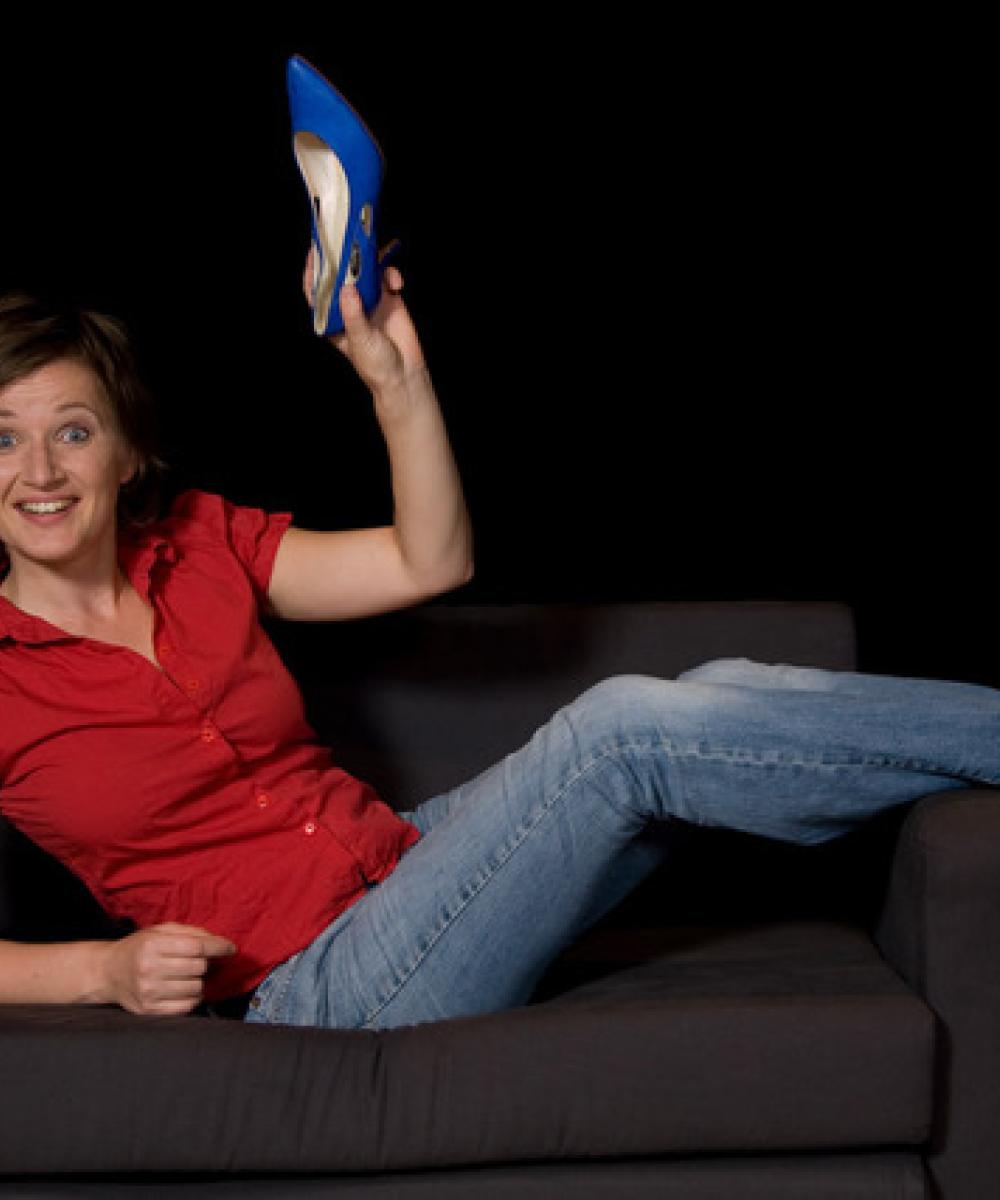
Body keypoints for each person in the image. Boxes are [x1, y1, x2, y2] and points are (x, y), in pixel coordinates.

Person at [1, 267, 998, 1031]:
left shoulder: (199, 545)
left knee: (706, 690)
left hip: (407, 864)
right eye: (3, 437)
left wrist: (395, 377)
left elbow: (428, 560)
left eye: (73, 432)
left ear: (127, 453)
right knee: (620, 732)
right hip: (315, 985)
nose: (40, 470)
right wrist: (102, 971)